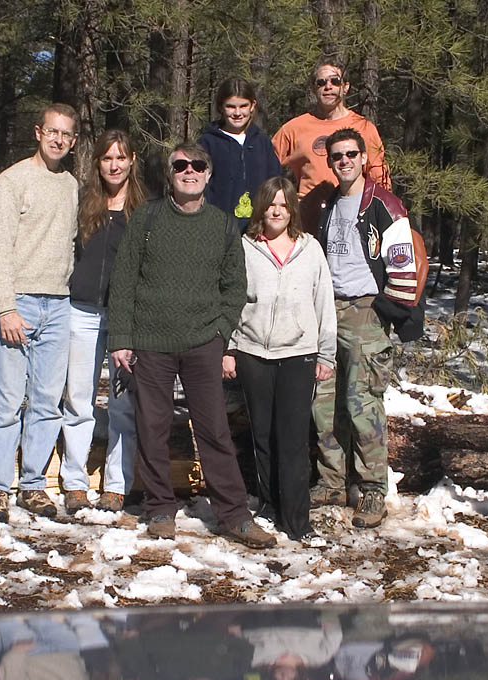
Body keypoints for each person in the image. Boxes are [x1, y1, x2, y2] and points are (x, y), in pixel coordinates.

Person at [107, 141, 274, 548]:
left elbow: (235, 287)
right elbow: (124, 281)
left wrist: (220, 333)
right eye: (180, 165)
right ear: (170, 174)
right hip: (151, 341)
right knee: (153, 426)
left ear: (208, 174)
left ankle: (233, 514)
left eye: (197, 165)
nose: (189, 171)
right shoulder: (145, 220)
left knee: (214, 429)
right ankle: (160, 507)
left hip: (203, 342)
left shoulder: (221, 225)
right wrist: (121, 339)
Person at [312, 128, 424, 528]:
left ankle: (374, 489)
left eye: (351, 154)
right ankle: (331, 481)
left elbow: (404, 266)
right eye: (337, 155)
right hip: (330, 309)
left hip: (365, 311)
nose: (344, 161)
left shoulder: (384, 204)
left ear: (363, 158)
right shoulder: (330, 204)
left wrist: (386, 311)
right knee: (324, 402)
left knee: (363, 405)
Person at [0, 103, 79, 523]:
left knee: (46, 401)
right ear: (38, 132)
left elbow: (70, 244)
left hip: (58, 303)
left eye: (67, 134)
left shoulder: (71, 185)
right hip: (18, 302)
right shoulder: (13, 180)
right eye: (52, 131)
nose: (58, 140)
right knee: (6, 401)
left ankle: (34, 484)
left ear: (73, 141)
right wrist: (5, 307)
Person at [222, 177, 336, 541]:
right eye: (271, 204)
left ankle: (297, 520)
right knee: (263, 437)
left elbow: (324, 304)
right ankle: (270, 506)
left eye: (284, 205)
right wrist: (230, 348)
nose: (276, 211)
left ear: (292, 210)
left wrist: (326, 353)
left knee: (292, 439)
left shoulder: (310, 249)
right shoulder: (245, 248)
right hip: (254, 353)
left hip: (299, 354)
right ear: (261, 208)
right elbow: (233, 300)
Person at [60, 130, 146, 515]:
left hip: (125, 317)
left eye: (121, 158)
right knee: (79, 400)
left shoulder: (144, 210)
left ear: (132, 161)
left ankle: (116, 483)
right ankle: (74, 481)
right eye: (107, 158)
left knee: (122, 404)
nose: (114, 165)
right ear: (97, 163)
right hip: (81, 312)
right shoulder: (83, 204)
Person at [272, 59, 390, 232]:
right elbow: (266, 168)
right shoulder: (293, 129)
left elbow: (380, 179)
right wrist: (285, 201)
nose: (328, 87)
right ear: (313, 88)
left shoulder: (364, 128)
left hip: (352, 220)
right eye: (321, 82)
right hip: (307, 221)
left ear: (346, 87)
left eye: (335, 81)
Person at [197, 76, 281, 233]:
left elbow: (275, 183)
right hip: (219, 229)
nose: (237, 113)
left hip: (259, 229)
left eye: (243, 106)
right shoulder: (207, 143)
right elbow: (201, 188)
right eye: (231, 107)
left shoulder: (262, 142)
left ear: (252, 106)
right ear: (221, 107)